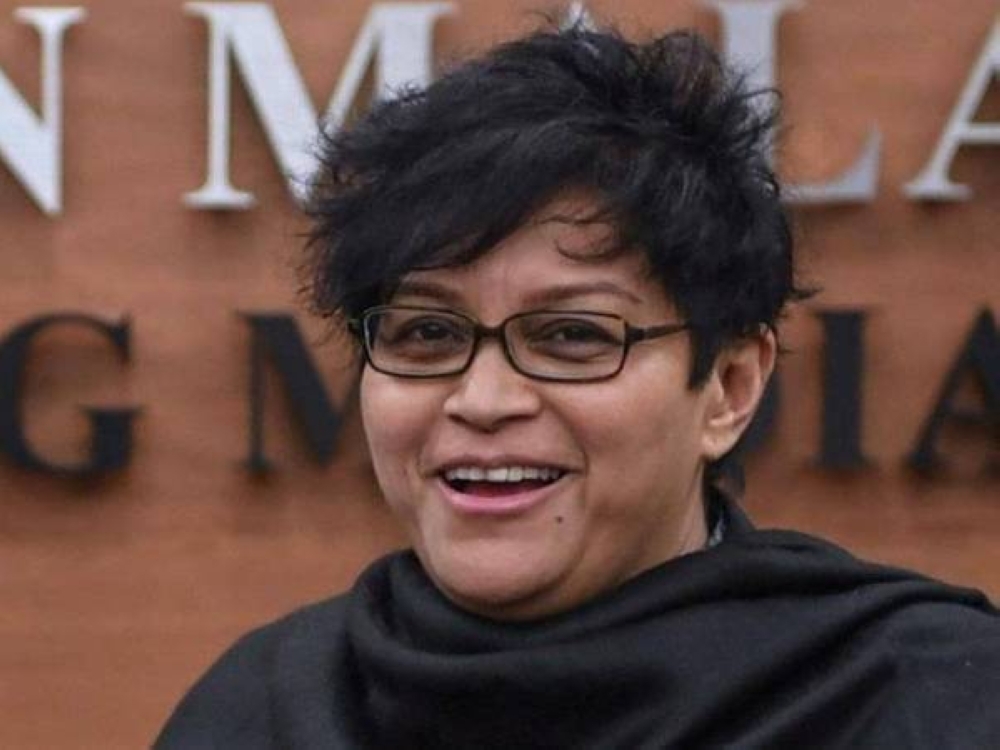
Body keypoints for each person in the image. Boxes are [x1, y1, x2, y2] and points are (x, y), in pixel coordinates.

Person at [156, 23, 1000, 749]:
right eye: (429, 334)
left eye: (572, 336)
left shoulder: (926, 701)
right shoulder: (258, 710)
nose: (484, 401)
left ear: (729, 387)